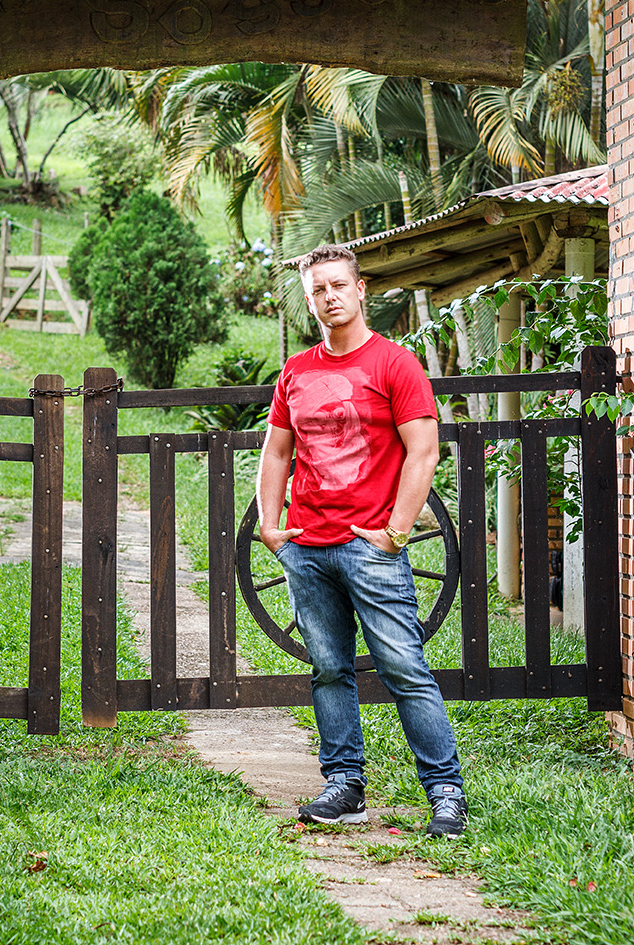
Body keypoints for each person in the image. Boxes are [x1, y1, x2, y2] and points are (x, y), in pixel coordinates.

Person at [256, 244, 467, 837]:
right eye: (317, 289)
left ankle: (445, 793)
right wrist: (273, 528)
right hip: (308, 546)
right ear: (309, 298)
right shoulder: (296, 372)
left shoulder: (395, 364)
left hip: (371, 548)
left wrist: (397, 533)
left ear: (360, 289)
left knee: (404, 667)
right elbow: (276, 450)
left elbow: (423, 450)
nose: (328, 296)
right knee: (328, 669)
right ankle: (344, 783)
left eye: (337, 285)